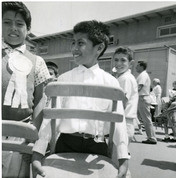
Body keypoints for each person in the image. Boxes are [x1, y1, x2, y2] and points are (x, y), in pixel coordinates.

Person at [32, 20, 130, 178]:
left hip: (98, 147)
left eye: (80, 43)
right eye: (73, 43)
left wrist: (124, 157)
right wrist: (38, 152)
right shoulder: (63, 80)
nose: (74, 48)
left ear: (99, 48)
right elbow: (49, 120)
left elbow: (119, 122)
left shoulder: (111, 82)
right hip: (65, 144)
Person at [2, 2, 51, 177]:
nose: (13, 28)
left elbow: (39, 100)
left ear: (28, 29)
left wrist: (32, 133)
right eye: (7, 22)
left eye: (19, 24)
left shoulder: (37, 61)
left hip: (22, 133)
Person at [112, 46, 139, 142]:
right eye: (116, 60)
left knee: (118, 154)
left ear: (131, 63)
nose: (118, 63)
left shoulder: (125, 78)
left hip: (123, 121)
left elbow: (122, 102)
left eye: (123, 60)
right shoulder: (124, 77)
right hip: (124, 121)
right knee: (120, 153)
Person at [136, 61, 157, 144]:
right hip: (142, 98)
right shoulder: (142, 75)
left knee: (146, 119)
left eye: (137, 66)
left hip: (143, 98)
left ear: (141, 66)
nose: (136, 67)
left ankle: (152, 138)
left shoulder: (143, 75)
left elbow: (139, 87)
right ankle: (151, 137)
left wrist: (131, 94)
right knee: (143, 118)